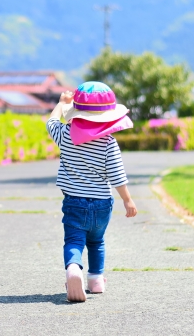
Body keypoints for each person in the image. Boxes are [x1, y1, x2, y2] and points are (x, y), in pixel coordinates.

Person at [46, 81, 138, 302]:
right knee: (97, 242)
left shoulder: (65, 134)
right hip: (101, 204)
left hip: (74, 202)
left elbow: (50, 123)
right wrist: (128, 200)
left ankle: (74, 269)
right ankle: (96, 281)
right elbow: (117, 175)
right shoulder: (108, 142)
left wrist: (61, 104)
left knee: (74, 241)